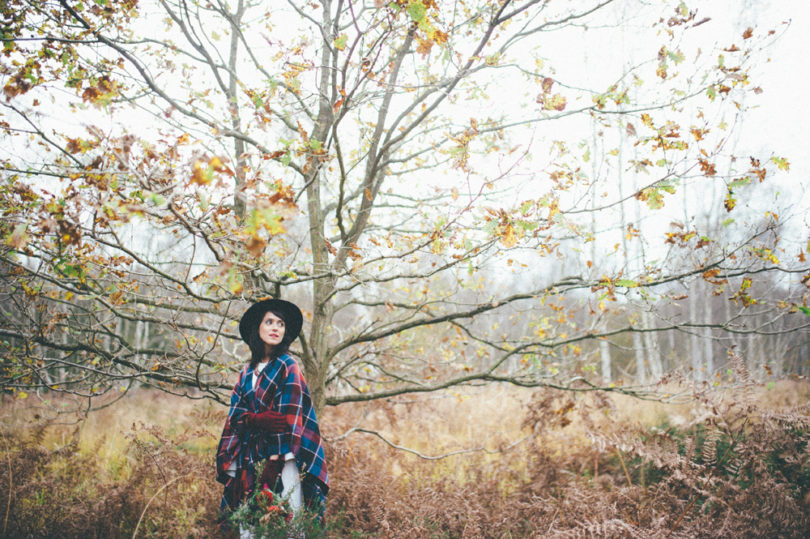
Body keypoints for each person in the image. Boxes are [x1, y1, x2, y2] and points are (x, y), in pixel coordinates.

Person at [215, 298, 329, 533]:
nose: (276, 327)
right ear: (258, 327)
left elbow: (288, 420)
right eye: (269, 322)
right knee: (251, 526)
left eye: (281, 323)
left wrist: (273, 464)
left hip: (283, 459)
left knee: (287, 521)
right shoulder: (247, 372)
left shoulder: (288, 366)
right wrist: (253, 419)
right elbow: (235, 416)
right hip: (249, 458)